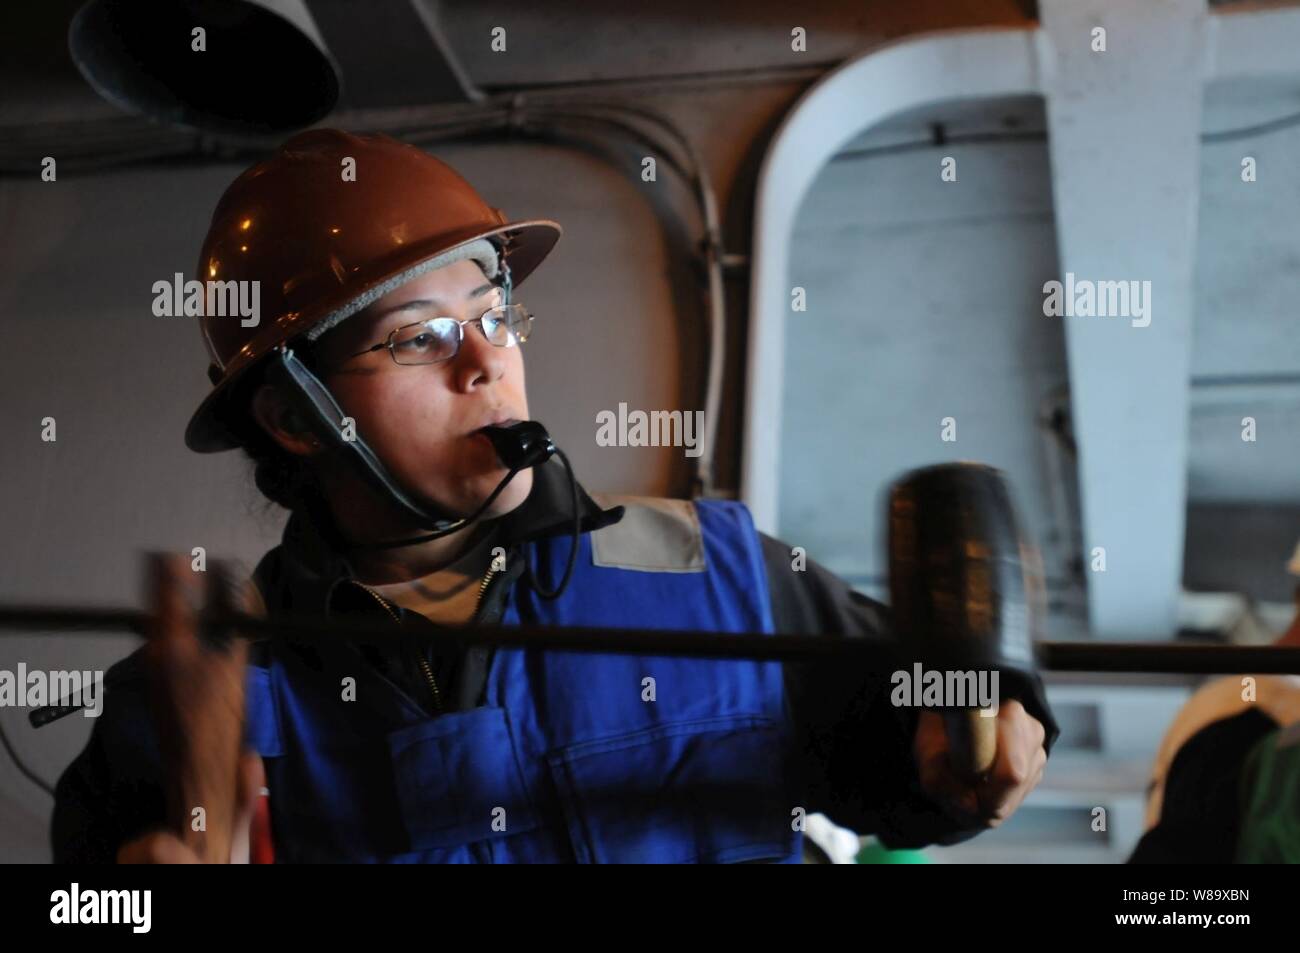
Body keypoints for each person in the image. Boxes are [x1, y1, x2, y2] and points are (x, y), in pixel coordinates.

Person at [51, 129, 1057, 864]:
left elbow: (920, 765)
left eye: (495, 313)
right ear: (293, 416)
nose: (489, 360)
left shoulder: (720, 568)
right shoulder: (193, 689)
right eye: (419, 337)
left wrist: (980, 736)